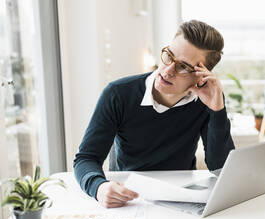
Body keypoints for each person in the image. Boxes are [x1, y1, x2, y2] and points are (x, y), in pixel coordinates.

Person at [73, 20, 235, 208]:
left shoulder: (207, 99)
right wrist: (98, 187)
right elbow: (86, 158)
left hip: (181, 198)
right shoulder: (118, 93)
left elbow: (221, 169)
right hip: (130, 198)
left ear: (201, 76)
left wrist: (217, 111)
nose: (167, 70)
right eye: (168, 56)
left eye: (183, 66)